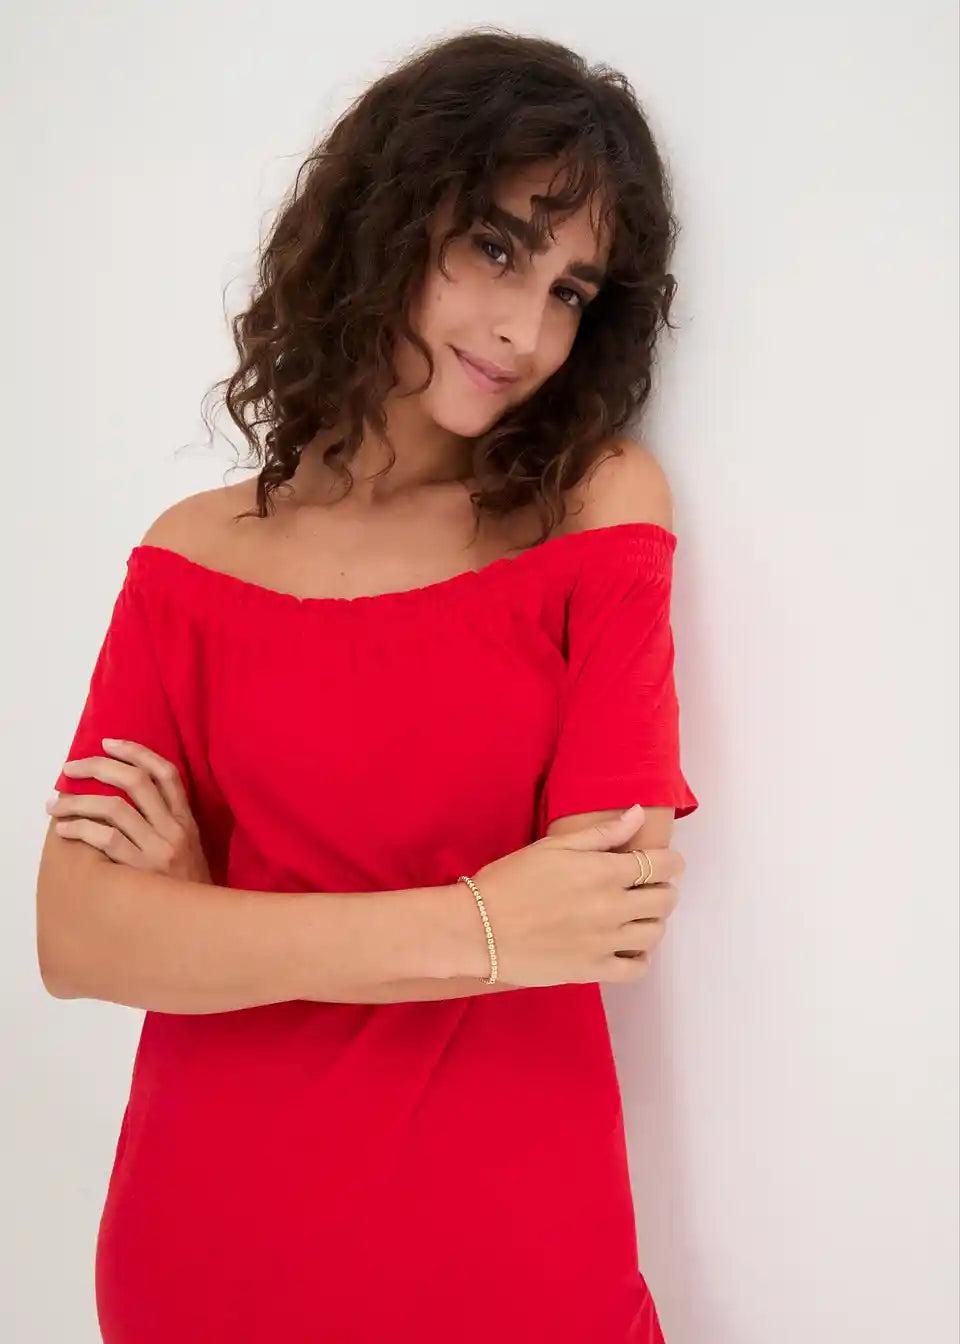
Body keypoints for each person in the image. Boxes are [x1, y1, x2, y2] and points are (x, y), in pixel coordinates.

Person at [35, 27, 699, 1344]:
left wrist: (212, 923)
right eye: (496, 247)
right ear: (386, 217)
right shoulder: (193, 558)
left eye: (571, 291)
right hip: (207, 1256)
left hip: (513, 1265)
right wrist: (486, 921)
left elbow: (600, 918)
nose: (524, 330)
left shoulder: (593, 510)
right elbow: (77, 939)